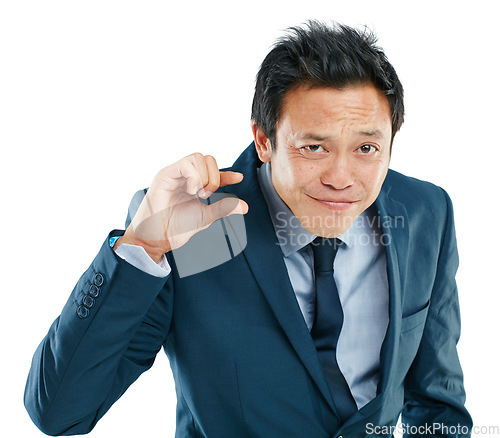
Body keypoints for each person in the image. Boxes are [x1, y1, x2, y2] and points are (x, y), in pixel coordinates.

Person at [24, 20, 472, 437]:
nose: (342, 177)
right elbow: (61, 412)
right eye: (314, 147)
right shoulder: (195, 231)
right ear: (264, 139)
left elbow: (438, 406)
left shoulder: (423, 212)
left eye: (367, 148)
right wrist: (144, 243)